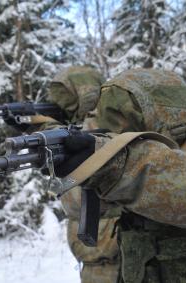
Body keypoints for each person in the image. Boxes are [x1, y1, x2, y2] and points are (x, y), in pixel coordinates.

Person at [55, 68, 186, 282]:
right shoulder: (142, 162)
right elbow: (75, 205)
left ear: (157, 113)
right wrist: (81, 164)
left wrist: (117, 165)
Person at [45, 66, 121, 283]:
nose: (64, 105)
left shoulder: (105, 122)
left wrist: (51, 131)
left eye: (68, 99)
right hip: (95, 257)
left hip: (112, 255)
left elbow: (74, 195)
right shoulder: (86, 124)